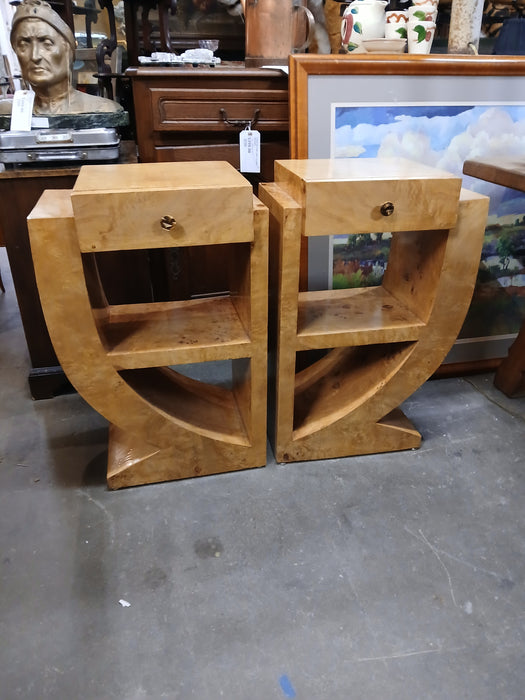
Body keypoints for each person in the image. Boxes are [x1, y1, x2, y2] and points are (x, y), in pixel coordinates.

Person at [0, 0, 122, 115]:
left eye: (47, 44)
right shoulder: (9, 112)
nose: (35, 56)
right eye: (23, 45)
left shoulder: (102, 110)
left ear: (68, 50)